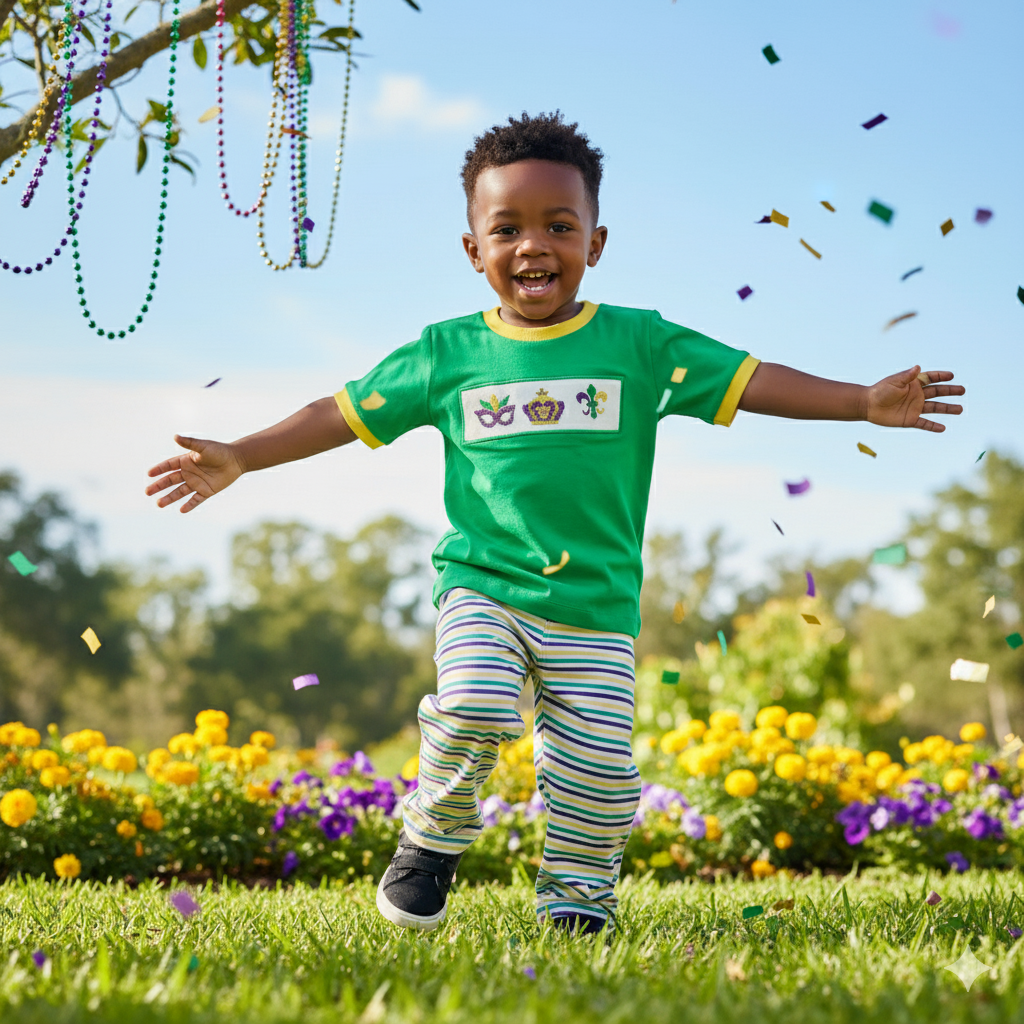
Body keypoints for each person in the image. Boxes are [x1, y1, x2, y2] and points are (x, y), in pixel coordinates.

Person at [146, 112, 965, 935]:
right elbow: (339, 410)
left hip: (596, 607)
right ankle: (431, 839)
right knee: (471, 705)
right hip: (485, 588)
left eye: (558, 227)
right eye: (507, 229)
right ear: (474, 250)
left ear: (595, 243)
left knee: (602, 773)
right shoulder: (445, 354)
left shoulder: (640, 345)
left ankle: (576, 899)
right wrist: (243, 455)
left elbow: (752, 381)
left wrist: (861, 401)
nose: (533, 245)